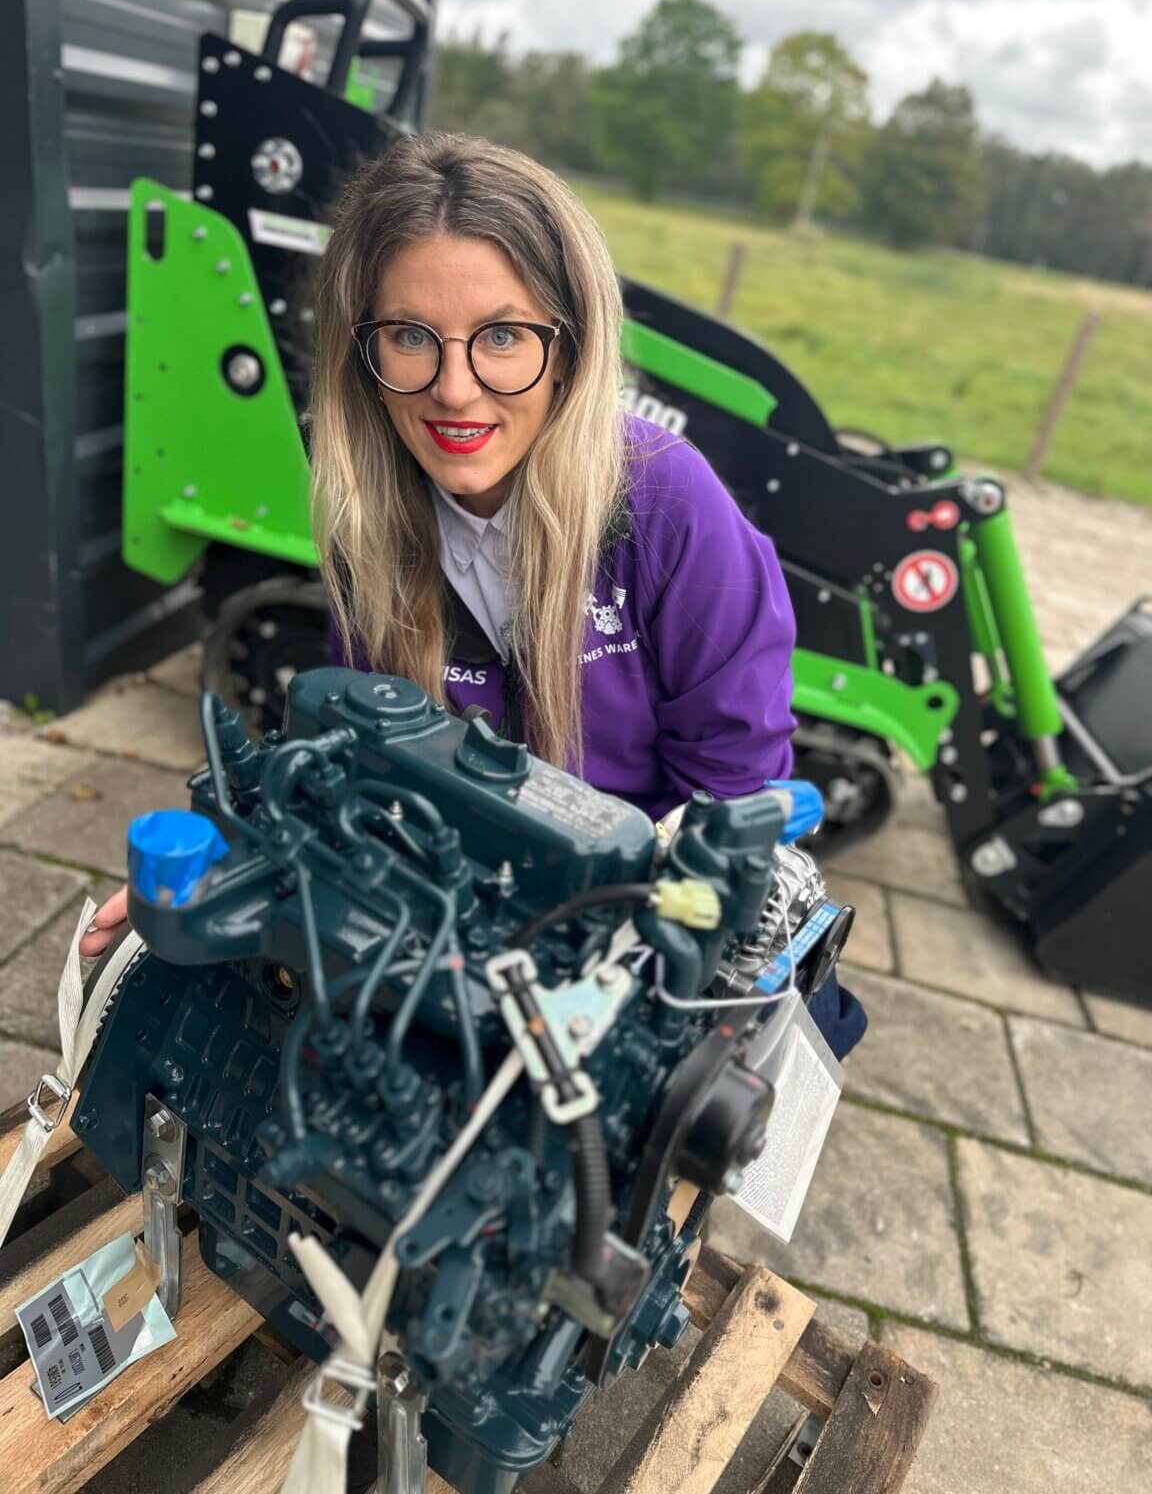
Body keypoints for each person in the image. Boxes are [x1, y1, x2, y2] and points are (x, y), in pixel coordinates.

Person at [81, 132, 865, 1059]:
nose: (455, 391)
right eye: (411, 337)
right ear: (363, 353)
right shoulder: (369, 517)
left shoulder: (666, 501)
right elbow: (363, 764)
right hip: (464, 917)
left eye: (502, 336)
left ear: (570, 347)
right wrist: (234, 870)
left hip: (638, 937)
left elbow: (734, 799)